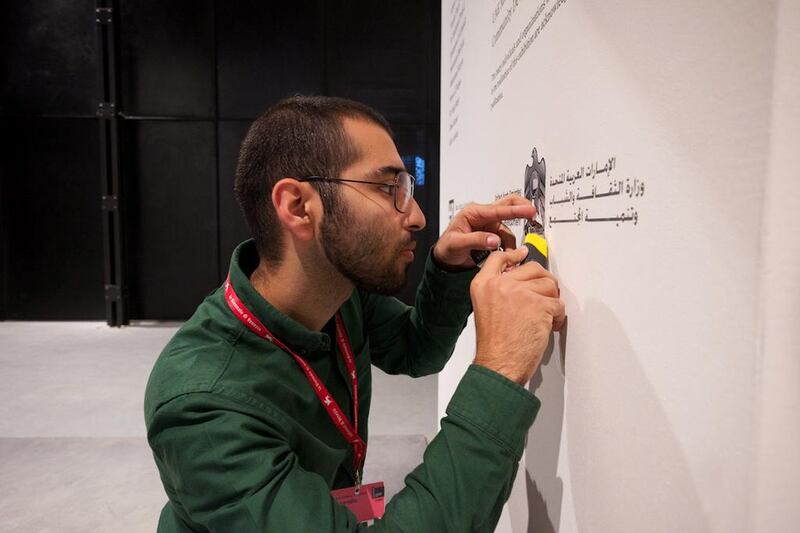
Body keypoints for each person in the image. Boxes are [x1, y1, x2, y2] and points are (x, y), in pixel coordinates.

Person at [144, 95, 565, 532]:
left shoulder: (338, 290)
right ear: (298, 207)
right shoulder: (202, 409)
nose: (418, 217)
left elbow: (414, 350)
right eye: (389, 189)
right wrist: (498, 372)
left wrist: (448, 269)